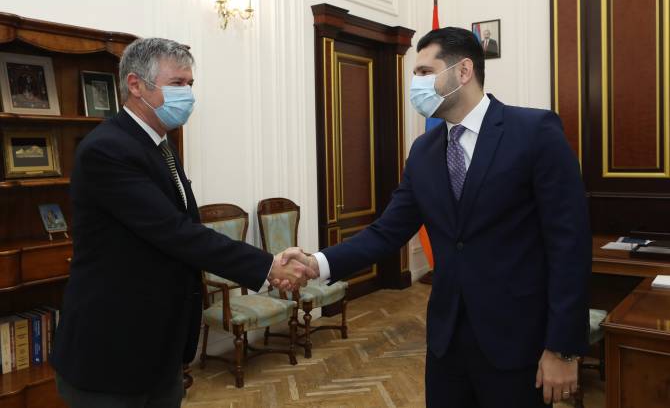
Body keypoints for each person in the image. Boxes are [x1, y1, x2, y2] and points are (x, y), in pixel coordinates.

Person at [290, 27, 591, 407]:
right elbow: (386, 232)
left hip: (517, 342)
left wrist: (563, 348)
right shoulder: (423, 151)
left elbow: (569, 246)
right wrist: (316, 263)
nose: (415, 84)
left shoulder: (534, 132)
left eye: (424, 72)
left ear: (463, 71)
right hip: (446, 343)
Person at [51, 38, 312, 408]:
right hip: (112, 351)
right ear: (135, 85)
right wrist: (268, 266)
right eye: (177, 83)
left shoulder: (161, 145)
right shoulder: (107, 149)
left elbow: (184, 228)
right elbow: (175, 233)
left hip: (158, 347)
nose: (187, 93)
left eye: (190, 83)